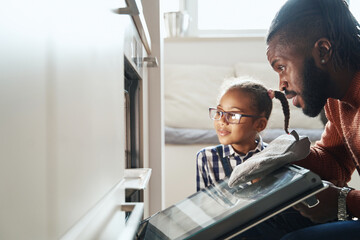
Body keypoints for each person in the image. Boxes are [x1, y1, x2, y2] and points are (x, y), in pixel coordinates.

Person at [264, 0, 360, 238]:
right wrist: (278, 156)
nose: (281, 85)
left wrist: (343, 201)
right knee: (267, 222)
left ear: (323, 51)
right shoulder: (336, 101)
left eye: (282, 67)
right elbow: (335, 159)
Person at [196, 78, 290, 191]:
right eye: (219, 112)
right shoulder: (206, 157)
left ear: (260, 125)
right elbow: (202, 203)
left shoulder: (274, 158)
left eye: (234, 115)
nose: (222, 121)